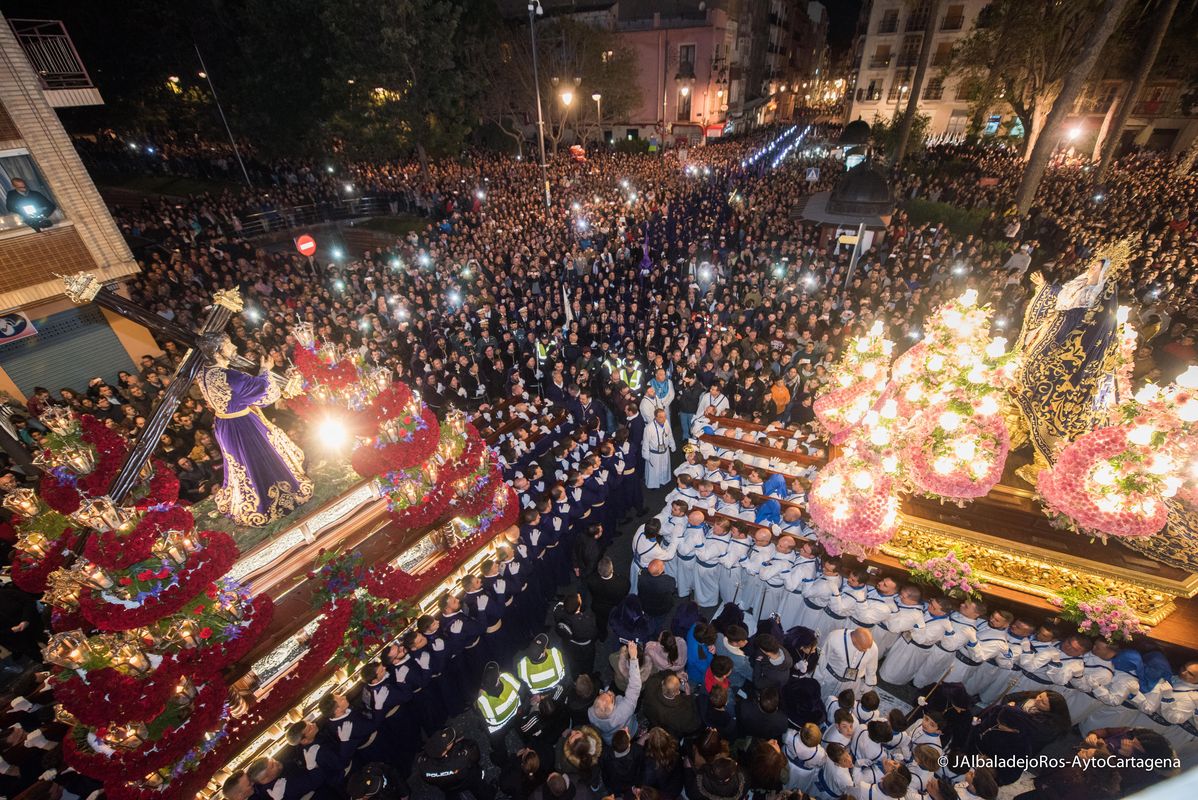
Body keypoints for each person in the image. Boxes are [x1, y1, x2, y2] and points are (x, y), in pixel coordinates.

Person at [196, 332, 313, 526]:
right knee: (260, 459)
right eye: (228, 344)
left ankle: (253, 496)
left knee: (242, 464)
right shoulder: (231, 376)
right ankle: (273, 501)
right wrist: (265, 370)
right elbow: (265, 393)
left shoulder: (204, 372)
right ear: (218, 351)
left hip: (225, 425)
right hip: (243, 426)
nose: (233, 347)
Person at [415, 727, 493, 800]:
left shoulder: (423, 766)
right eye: (450, 743)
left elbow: (428, 780)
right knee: (480, 788)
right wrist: (459, 744)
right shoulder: (462, 758)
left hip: (448, 787)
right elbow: (474, 751)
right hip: (468, 779)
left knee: (451, 794)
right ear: (444, 752)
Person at [589, 641, 642, 742]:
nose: (609, 692)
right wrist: (634, 658)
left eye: (604, 694)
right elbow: (634, 687)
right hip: (628, 728)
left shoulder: (591, 713)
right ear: (613, 706)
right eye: (610, 697)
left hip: (609, 738)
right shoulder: (624, 711)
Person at [476, 661, 524, 767]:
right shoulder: (507, 678)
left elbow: (482, 717)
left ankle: (502, 761)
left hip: (498, 729)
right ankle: (526, 739)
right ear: (498, 678)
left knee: (498, 745)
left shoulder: (482, 700)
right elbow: (521, 690)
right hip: (515, 716)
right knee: (521, 728)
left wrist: (481, 693)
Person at [819, 627, 879, 699]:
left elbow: (871, 669)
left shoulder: (873, 648)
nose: (866, 650)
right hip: (830, 678)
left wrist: (867, 688)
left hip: (852, 684)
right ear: (854, 639)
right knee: (822, 698)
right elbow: (823, 658)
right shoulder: (834, 638)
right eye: (863, 648)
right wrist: (818, 678)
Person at [642, 671, 702, 739]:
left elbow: (659, 674)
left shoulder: (652, 683)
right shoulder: (680, 709)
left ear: (662, 682)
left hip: (650, 715)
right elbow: (695, 724)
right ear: (677, 693)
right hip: (666, 728)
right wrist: (688, 696)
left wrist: (675, 674)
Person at [642, 407, 676, 489]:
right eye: (661, 417)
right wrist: (646, 455)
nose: (664, 419)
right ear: (655, 417)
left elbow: (670, 434)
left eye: (665, 416)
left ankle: (663, 481)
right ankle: (653, 485)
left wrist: (672, 445)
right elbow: (646, 442)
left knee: (664, 466)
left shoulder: (666, 422)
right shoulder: (649, 428)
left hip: (665, 451)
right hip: (654, 454)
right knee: (654, 470)